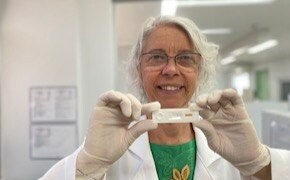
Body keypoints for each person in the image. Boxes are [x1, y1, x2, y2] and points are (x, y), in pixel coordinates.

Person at [41, 16, 290, 180]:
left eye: (185, 58)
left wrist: (259, 163)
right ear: (137, 68)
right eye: (157, 57)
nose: (171, 70)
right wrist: (87, 166)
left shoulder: (231, 147)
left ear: (200, 71)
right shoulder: (109, 147)